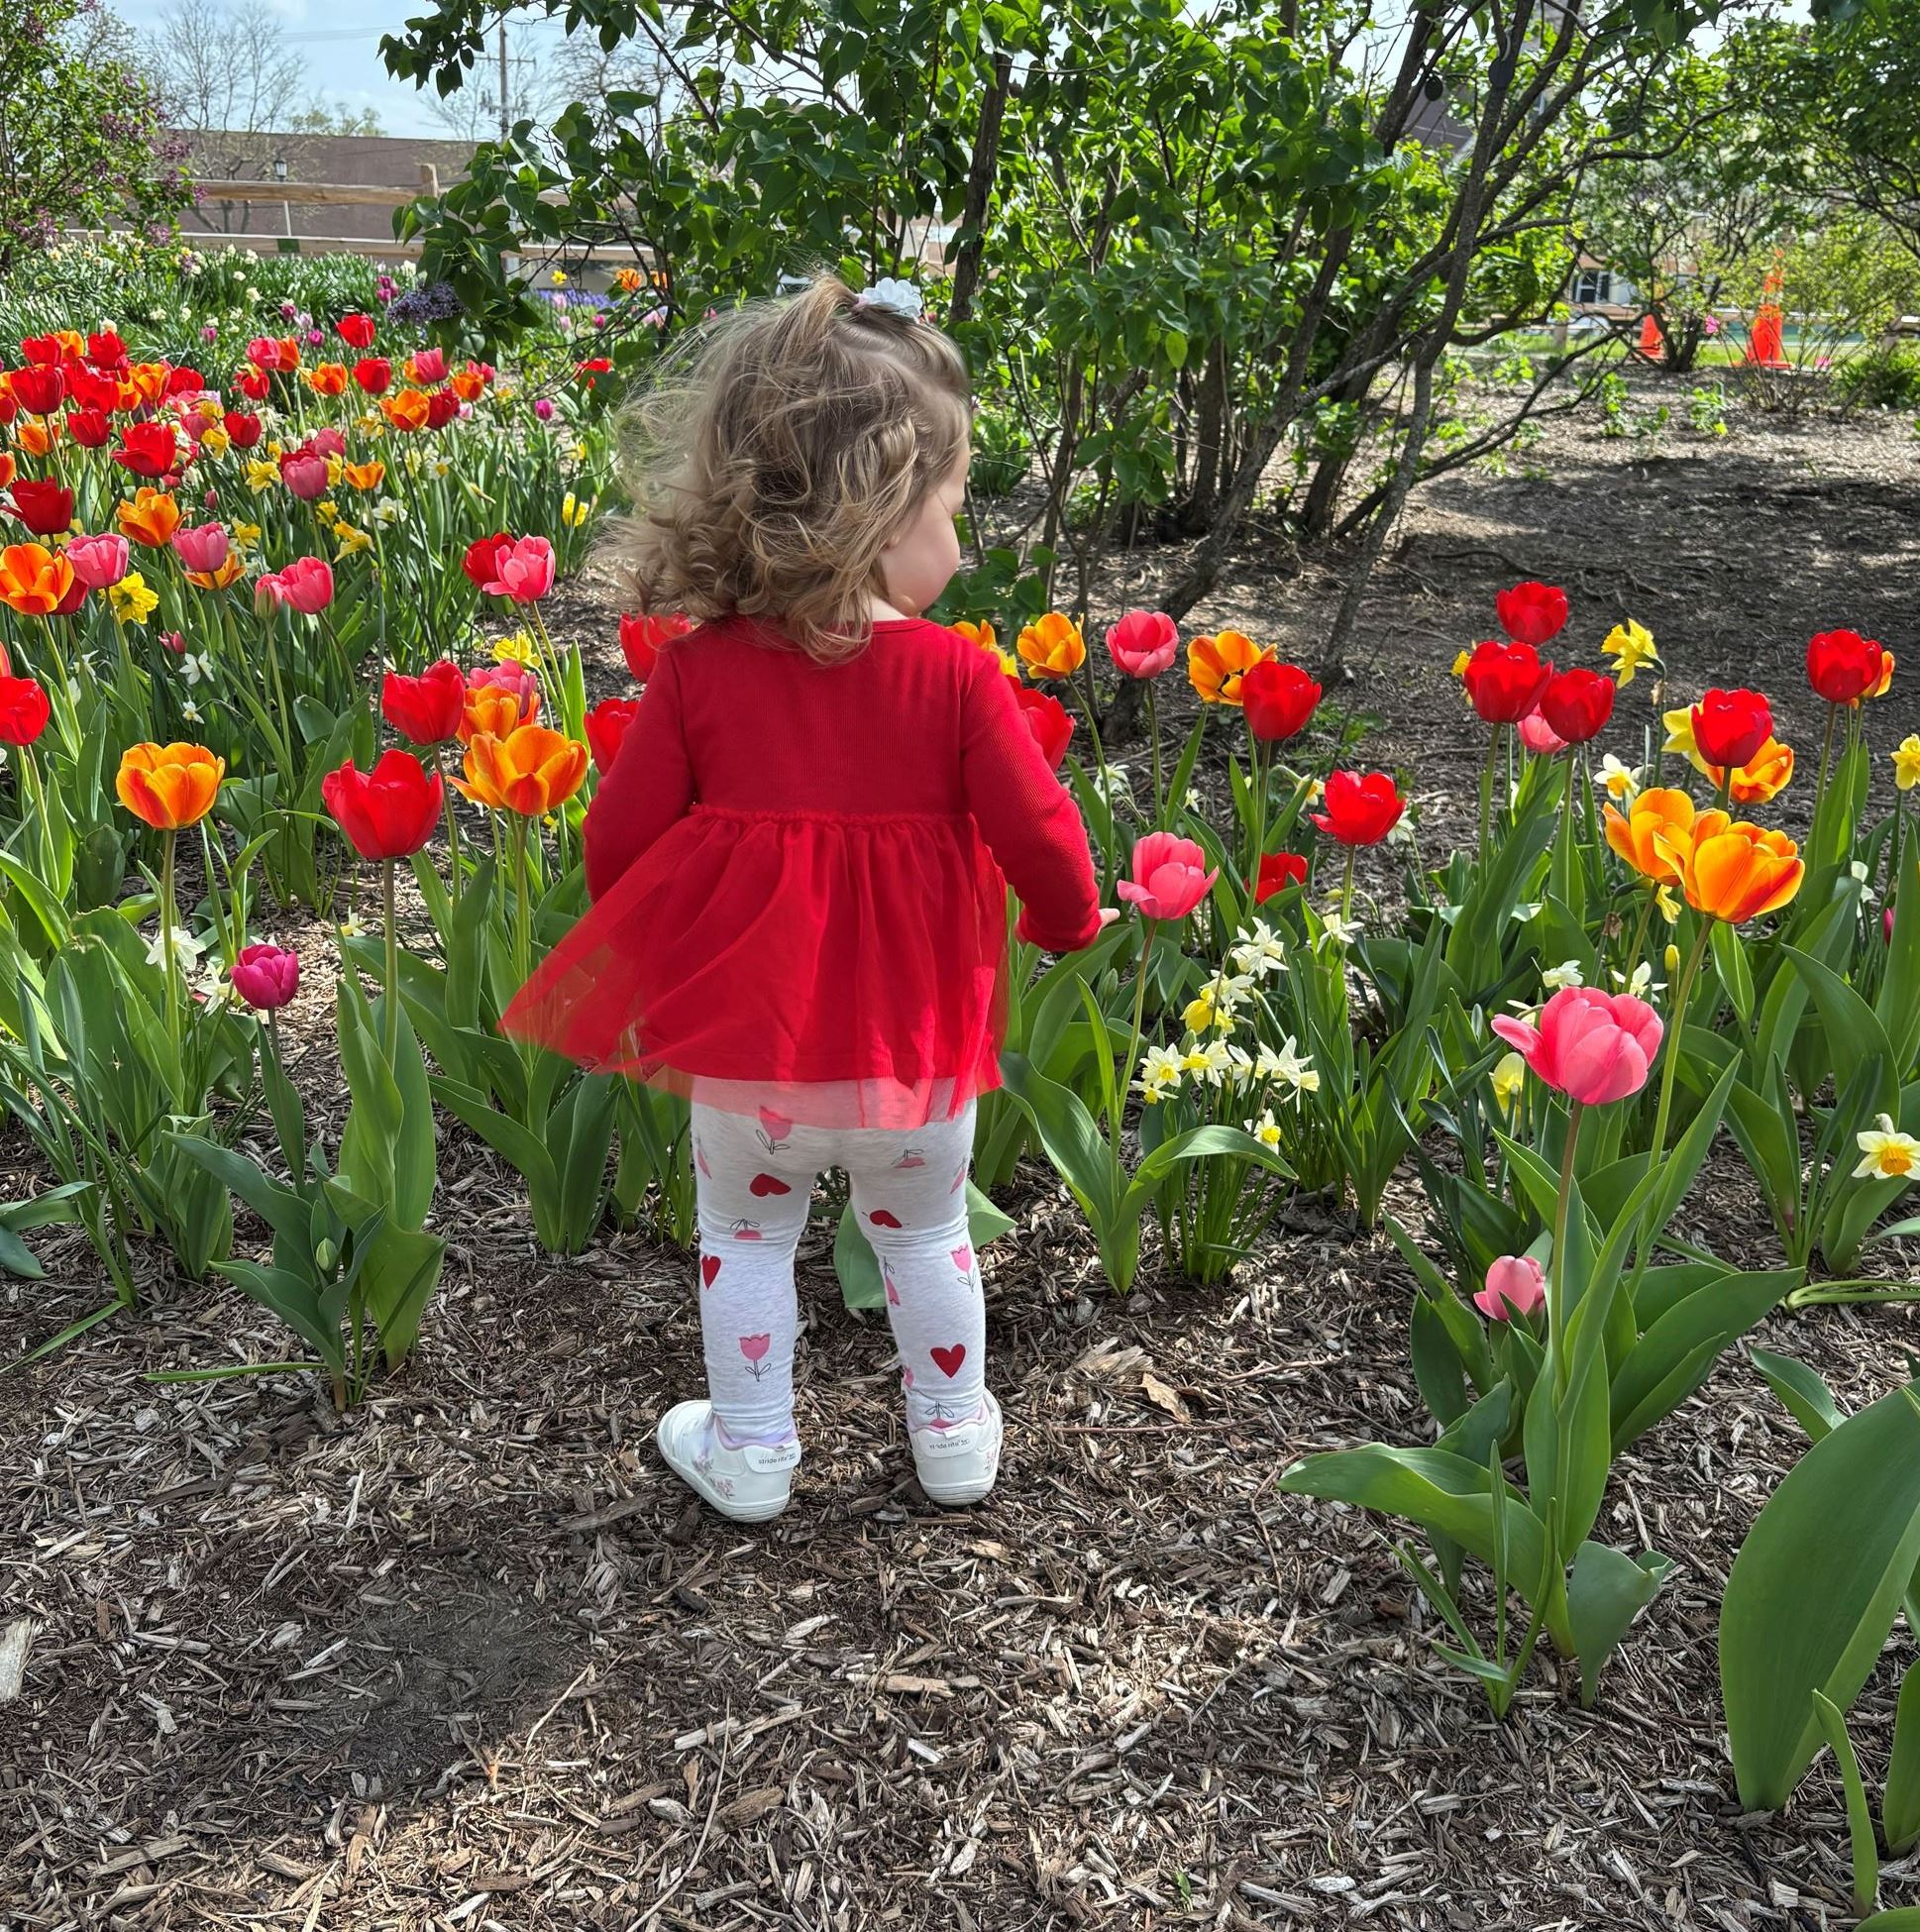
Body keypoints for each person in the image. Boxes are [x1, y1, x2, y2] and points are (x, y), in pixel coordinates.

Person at [504, 273, 1106, 1523]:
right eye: (955, 506)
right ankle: (950, 1437)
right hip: (915, 1060)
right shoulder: (954, 680)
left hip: (753, 1065)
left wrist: (664, 951)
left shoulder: (699, 677)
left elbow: (618, 842)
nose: (966, 538)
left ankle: (756, 1449)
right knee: (926, 1237)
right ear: (883, 511)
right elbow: (1045, 838)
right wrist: (1066, 924)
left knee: (747, 1235)